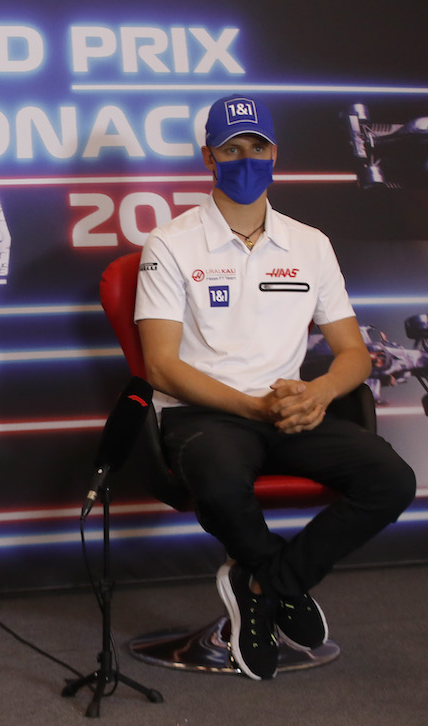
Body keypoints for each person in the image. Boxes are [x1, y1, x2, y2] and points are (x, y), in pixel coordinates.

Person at [134, 94, 417, 681]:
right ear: (207, 156)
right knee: (216, 473)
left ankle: (263, 583)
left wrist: (317, 396)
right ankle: (278, 583)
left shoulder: (310, 243)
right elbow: (160, 367)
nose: (244, 159)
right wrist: (252, 406)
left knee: (392, 479)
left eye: (256, 147)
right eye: (230, 149)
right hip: (205, 414)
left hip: (289, 411)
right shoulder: (169, 243)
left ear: (275, 154)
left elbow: (353, 354)